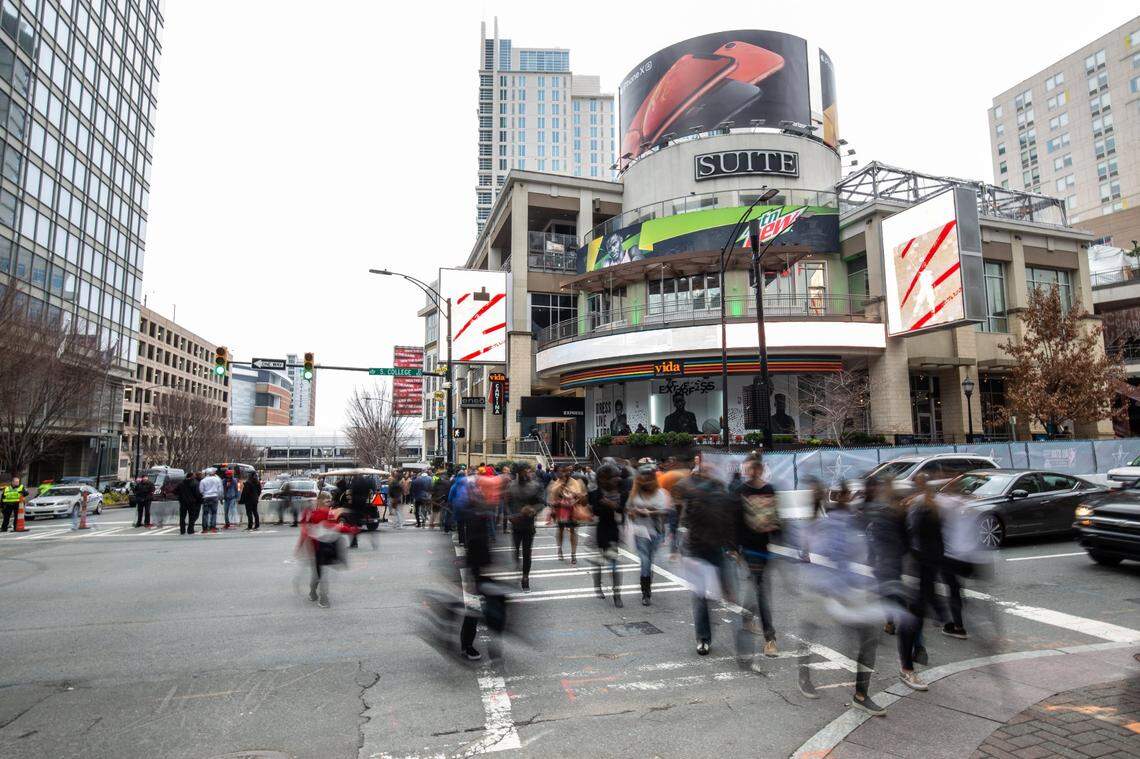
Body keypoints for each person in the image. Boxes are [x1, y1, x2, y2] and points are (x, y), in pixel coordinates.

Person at [796, 482, 887, 716]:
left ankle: (860, 695)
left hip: (846, 591)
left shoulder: (852, 524)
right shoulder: (826, 525)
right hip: (824, 590)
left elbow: (860, 557)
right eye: (844, 496)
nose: (850, 500)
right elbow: (816, 554)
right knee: (810, 631)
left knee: (867, 637)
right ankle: (804, 676)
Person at [681, 462, 737, 656]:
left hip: (713, 548)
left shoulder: (717, 493)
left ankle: (710, 638)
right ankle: (703, 638)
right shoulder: (694, 495)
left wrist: (731, 547)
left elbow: (729, 521)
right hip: (699, 549)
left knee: (722, 593)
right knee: (701, 596)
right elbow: (686, 521)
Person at [897, 474, 945, 692]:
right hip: (916, 568)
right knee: (911, 620)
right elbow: (912, 535)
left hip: (926, 568)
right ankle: (907, 669)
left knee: (915, 619)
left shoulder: (930, 506)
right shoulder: (918, 507)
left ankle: (915, 653)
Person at [732, 452, 780, 659]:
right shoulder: (740, 491)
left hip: (764, 547)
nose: (751, 471)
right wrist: (733, 548)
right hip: (748, 549)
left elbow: (775, 517)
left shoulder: (769, 489)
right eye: (748, 468)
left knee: (757, 586)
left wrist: (779, 536)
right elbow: (733, 520)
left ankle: (746, 614)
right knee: (761, 591)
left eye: (754, 468)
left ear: (760, 469)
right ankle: (770, 638)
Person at [628, 464, 672, 606]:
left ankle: (648, 588)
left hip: (655, 531)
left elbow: (665, 511)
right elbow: (628, 508)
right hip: (640, 530)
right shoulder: (635, 492)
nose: (645, 482)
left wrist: (650, 512)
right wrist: (633, 512)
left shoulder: (660, 493)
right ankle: (645, 594)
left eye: (648, 479)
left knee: (649, 561)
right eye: (643, 479)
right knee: (645, 561)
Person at [298, 492, 347, 609]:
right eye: (326, 501)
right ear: (319, 501)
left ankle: (317, 594)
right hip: (316, 547)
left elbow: (334, 528)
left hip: (324, 547)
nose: (329, 503)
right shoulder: (315, 514)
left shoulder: (328, 513)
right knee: (319, 573)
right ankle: (321, 597)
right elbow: (305, 531)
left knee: (320, 573)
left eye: (330, 500)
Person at [589, 464, 627, 607]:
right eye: (614, 477)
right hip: (597, 531)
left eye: (618, 476)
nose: (617, 479)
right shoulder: (595, 493)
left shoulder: (621, 492)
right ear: (604, 479)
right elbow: (595, 511)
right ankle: (597, 587)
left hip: (613, 531)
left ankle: (617, 594)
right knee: (598, 562)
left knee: (614, 564)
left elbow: (623, 510)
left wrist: (611, 505)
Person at [507, 463, 541, 590]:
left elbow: (541, 503)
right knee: (516, 550)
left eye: (528, 470)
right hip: (516, 525)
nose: (527, 473)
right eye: (524, 471)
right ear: (518, 472)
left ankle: (525, 577)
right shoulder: (511, 486)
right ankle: (517, 563)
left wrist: (532, 509)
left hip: (528, 525)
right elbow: (506, 503)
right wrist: (510, 515)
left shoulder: (534, 486)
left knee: (527, 553)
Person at [547, 465, 586, 565]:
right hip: (560, 511)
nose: (566, 473)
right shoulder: (557, 483)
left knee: (573, 531)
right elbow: (552, 497)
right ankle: (560, 549)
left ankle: (573, 554)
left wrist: (575, 497)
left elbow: (580, 495)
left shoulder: (574, 482)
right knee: (560, 530)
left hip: (572, 510)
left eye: (569, 471)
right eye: (564, 471)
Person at [347, 473, 373, 549]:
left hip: (355, 505)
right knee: (358, 524)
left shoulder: (354, 482)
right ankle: (356, 540)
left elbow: (351, 491)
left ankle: (354, 542)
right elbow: (369, 490)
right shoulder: (365, 482)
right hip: (362, 504)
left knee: (353, 524)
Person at [199, 468, 222, 534]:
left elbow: (201, 490)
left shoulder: (203, 481)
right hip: (214, 497)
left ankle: (205, 528)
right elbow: (220, 490)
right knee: (214, 513)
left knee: (205, 513)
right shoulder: (217, 480)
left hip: (206, 497)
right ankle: (213, 527)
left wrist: (205, 494)